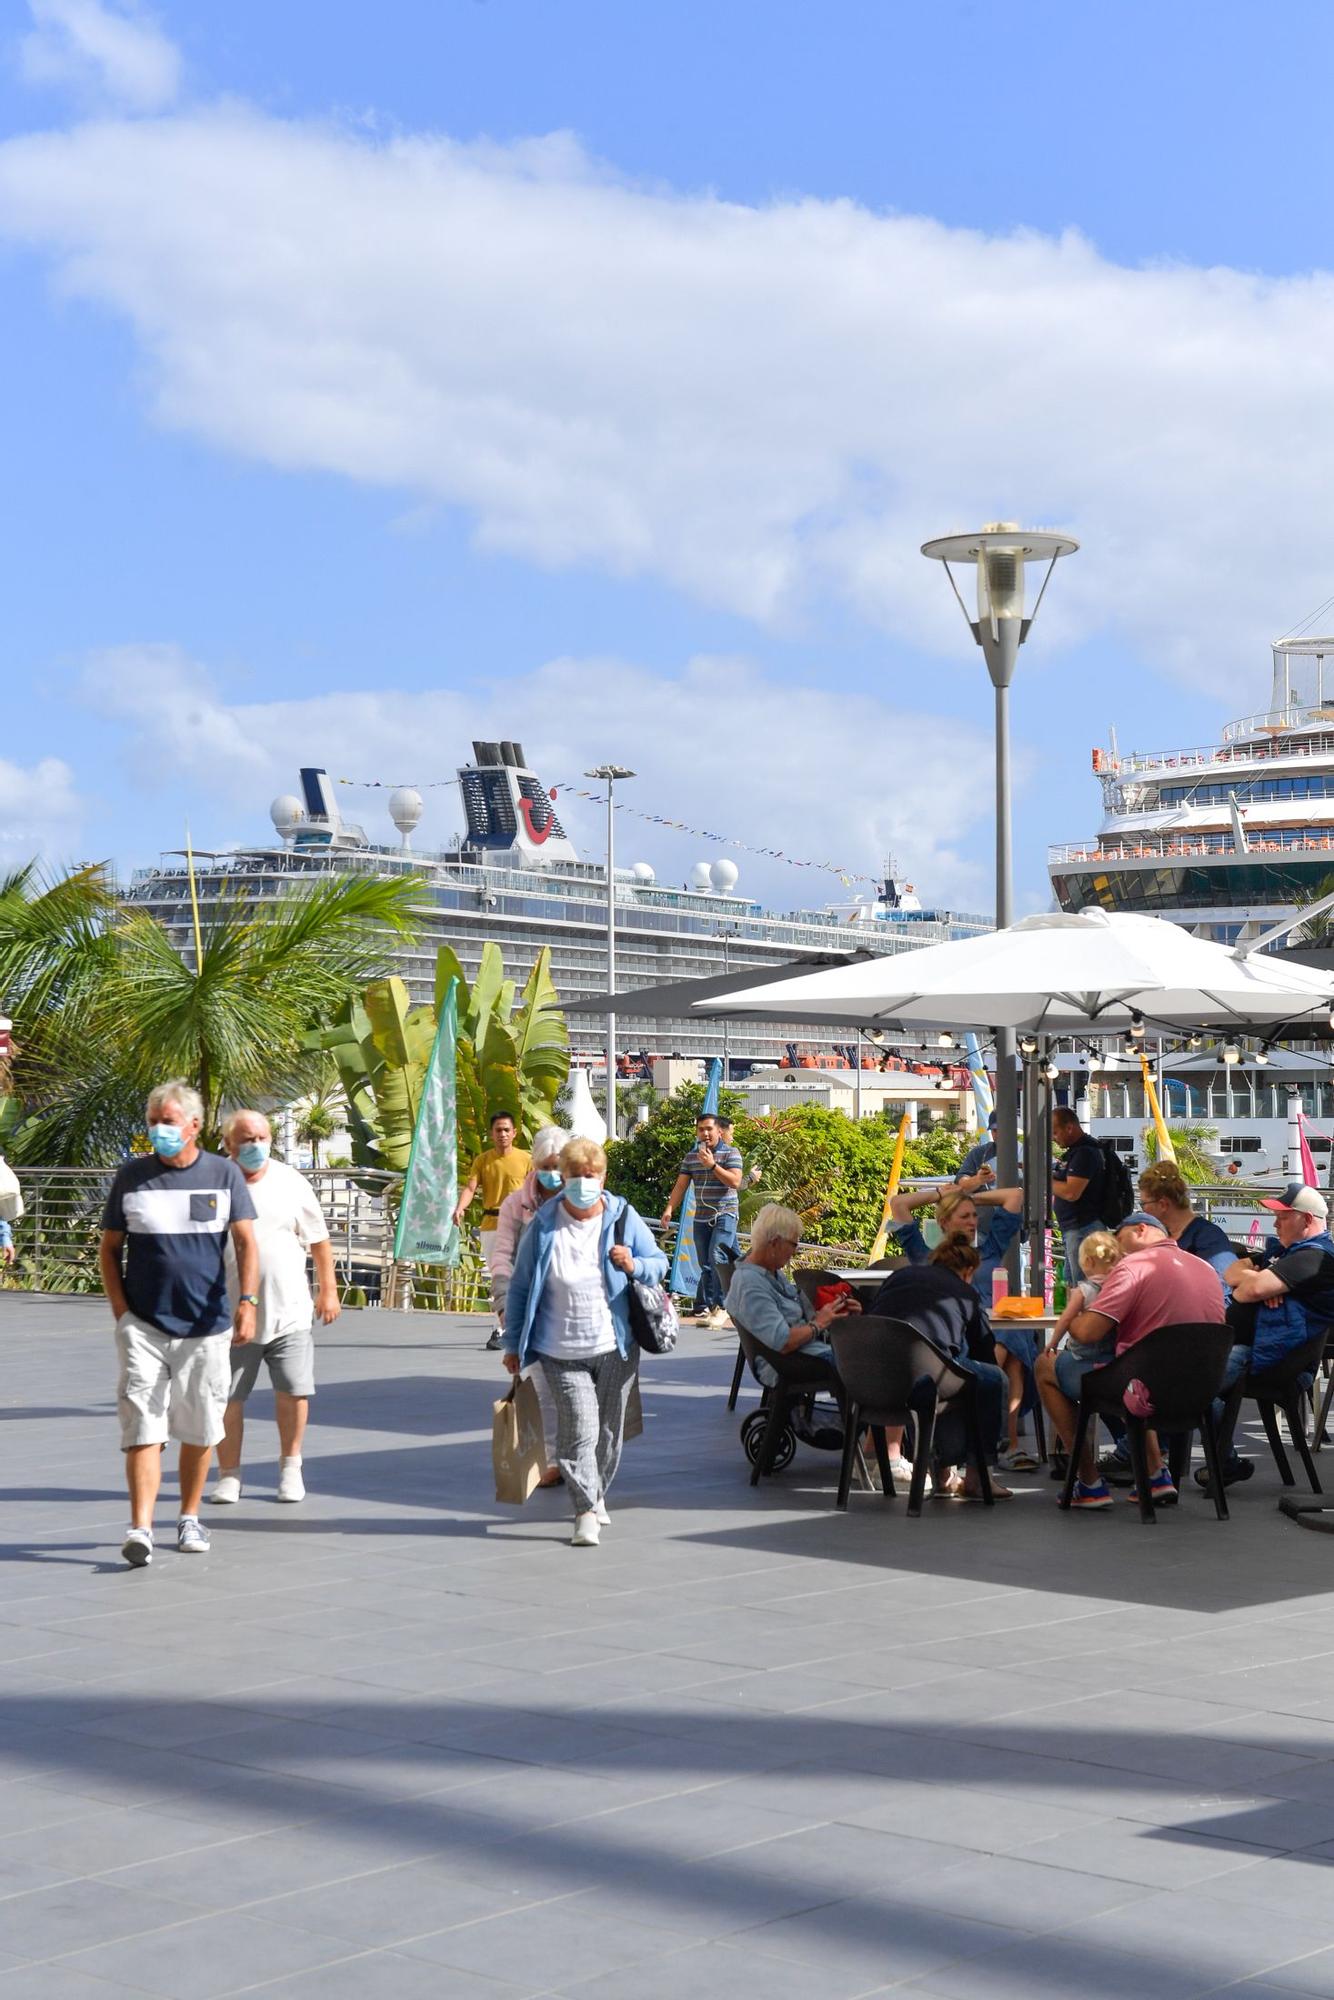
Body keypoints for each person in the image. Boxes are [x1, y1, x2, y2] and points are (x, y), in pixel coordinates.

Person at [98, 1081, 258, 1567]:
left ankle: (189, 1516)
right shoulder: (132, 1177)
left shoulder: (223, 1174)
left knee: (200, 1426)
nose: (159, 1130)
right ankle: (140, 1527)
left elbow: (247, 1243)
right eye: (154, 1122)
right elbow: (109, 1249)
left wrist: (246, 1301)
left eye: (168, 1122)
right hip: (144, 1326)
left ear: (193, 1125)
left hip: (206, 1327)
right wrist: (122, 1314)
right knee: (143, 1427)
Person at [502, 1137, 666, 1547]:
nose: (583, 1183)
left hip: (614, 1345)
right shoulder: (542, 1226)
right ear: (563, 1178)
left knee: (609, 1433)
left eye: (590, 1176)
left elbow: (659, 1264)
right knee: (579, 1429)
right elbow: (521, 1288)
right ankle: (585, 1511)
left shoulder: (622, 1217)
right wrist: (512, 1345)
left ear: (603, 1176)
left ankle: (596, 1491)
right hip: (561, 1351)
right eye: (575, 1176)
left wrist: (634, 1263)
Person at [1037, 1210, 1224, 1511]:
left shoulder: (1134, 1267)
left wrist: (1069, 1312)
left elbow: (1087, 1333)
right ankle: (1155, 1475)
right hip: (1200, 1392)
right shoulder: (1204, 1268)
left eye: (1119, 1240)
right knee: (1125, 1367)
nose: (1117, 1252)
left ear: (1140, 1230)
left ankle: (1089, 1483)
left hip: (1146, 1391)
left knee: (1046, 1367)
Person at [210, 1109, 340, 1507]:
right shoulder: (216, 1182)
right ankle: (229, 1475)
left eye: (262, 1137)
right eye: (247, 1139)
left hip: (290, 1311)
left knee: (294, 1390)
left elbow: (318, 1240)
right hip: (232, 1315)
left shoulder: (290, 1181)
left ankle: (290, 1467)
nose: (256, 1146)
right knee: (227, 1397)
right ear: (229, 1144)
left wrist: (328, 1290)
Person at [1097, 1164, 1235, 1487]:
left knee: (1101, 1373)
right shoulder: (1154, 1245)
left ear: (1162, 1205)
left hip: (1195, 1340)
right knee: (1107, 1363)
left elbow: (1222, 1287)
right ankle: (1147, 1453)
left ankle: (1132, 1452)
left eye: (1143, 1205)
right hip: (1158, 1339)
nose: (1140, 1211)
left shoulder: (1206, 1237)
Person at [1203, 1183, 1334, 1489]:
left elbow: (1249, 1291)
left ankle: (1142, 1460)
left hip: (1273, 1361)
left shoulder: (1313, 1259)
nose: (1274, 1223)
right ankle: (1226, 1462)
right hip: (1248, 1349)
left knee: (1185, 1387)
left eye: (1283, 1217)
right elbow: (1231, 1273)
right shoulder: (1283, 1252)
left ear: (1307, 1219)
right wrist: (1259, 1280)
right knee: (1185, 1379)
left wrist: (1258, 1285)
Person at [868, 1234, 1010, 1499]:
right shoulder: (964, 1292)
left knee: (945, 1368)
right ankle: (978, 1478)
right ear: (968, 1271)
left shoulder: (898, 1277)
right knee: (989, 1379)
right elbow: (984, 1350)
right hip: (922, 1383)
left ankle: (943, 1474)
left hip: (870, 1378)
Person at [490, 1123, 569, 1489]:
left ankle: (577, 1456)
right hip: (534, 1312)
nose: (553, 1174)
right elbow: (502, 1257)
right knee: (542, 1389)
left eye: (559, 1166)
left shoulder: (582, 1200)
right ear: (534, 1166)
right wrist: (506, 1303)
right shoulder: (515, 1206)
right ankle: (554, 1460)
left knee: (577, 1393)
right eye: (547, 1166)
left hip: (575, 1310)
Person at [726, 1203, 861, 1387]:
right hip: (789, 1362)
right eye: (793, 1244)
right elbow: (783, 1342)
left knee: (875, 1355)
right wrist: (819, 1323)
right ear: (774, 1243)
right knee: (871, 1365)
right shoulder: (750, 1283)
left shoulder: (770, 1273)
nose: (795, 1251)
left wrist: (836, 1314)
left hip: (805, 1353)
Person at [454, 1112, 532, 1350]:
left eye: (507, 1129)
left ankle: (520, 1327)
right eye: (498, 1130)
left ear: (514, 1133)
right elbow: (470, 1187)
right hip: (491, 1225)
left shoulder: (526, 1159)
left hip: (520, 1225)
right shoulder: (483, 1160)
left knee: (519, 1277)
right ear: (491, 1133)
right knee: (497, 1279)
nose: (502, 1134)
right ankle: (499, 1329)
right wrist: (459, 1208)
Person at [661, 1112, 743, 1326]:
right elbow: (681, 1186)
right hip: (701, 1217)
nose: (705, 1133)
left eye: (709, 1129)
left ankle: (722, 1307)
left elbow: (735, 1181)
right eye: (701, 1129)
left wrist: (713, 1165)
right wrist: (670, 1208)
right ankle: (708, 1308)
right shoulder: (691, 1157)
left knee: (718, 1257)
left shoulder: (731, 1153)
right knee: (706, 1264)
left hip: (725, 1213)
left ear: (719, 1131)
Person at [1051, 1107, 1108, 1284]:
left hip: (1083, 1227)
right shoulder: (1076, 1152)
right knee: (1073, 1283)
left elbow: (1071, 1192)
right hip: (1076, 1228)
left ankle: (1084, 1313)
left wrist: (1044, 1180)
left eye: (1055, 1132)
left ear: (1069, 1128)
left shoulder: (1085, 1153)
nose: (1054, 1137)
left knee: (1082, 1286)